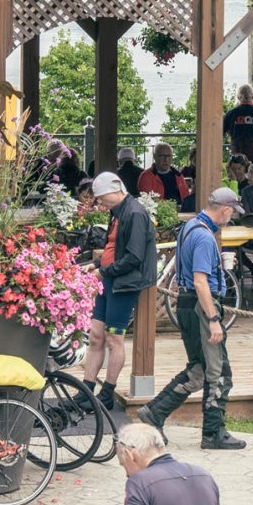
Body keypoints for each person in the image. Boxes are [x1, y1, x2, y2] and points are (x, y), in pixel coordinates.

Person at [144, 189, 247, 449]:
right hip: (202, 307)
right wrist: (213, 318)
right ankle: (213, 433)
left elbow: (182, 270)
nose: (232, 217)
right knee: (219, 372)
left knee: (198, 369)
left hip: (187, 305)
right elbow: (201, 282)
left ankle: (155, 412)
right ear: (224, 208)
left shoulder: (190, 226)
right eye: (232, 212)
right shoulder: (203, 237)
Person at [84, 173, 157, 414]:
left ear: (115, 190)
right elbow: (112, 246)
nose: (101, 203)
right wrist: (96, 264)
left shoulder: (134, 213)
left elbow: (134, 257)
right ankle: (86, 389)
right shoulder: (117, 211)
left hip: (124, 284)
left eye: (102, 198)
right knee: (95, 335)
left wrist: (104, 272)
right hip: (109, 279)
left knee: (114, 338)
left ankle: (107, 393)